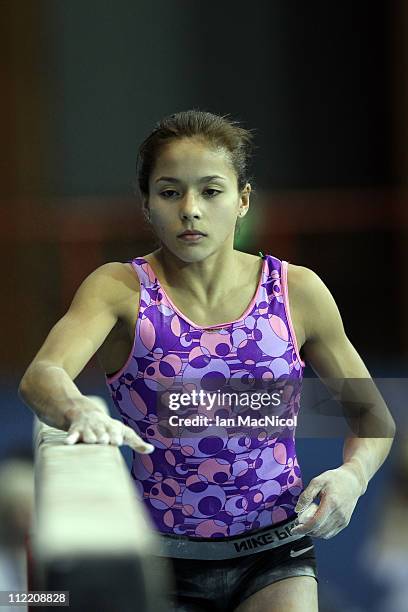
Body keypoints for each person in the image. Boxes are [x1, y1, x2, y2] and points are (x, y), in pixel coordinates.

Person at [18, 109, 396, 612]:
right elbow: (42, 375)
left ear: (242, 200)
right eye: (170, 192)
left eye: (211, 191)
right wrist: (77, 409)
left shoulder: (297, 292)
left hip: (276, 555)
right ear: (147, 205)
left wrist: (354, 475)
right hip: (164, 563)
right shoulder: (120, 291)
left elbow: (373, 419)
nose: (190, 209)